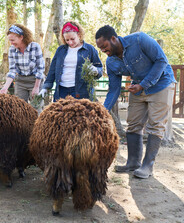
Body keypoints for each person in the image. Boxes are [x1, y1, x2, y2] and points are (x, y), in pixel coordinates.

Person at [95, 25, 176, 179]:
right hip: (138, 87)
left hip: (161, 84)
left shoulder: (139, 40)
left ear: (113, 39)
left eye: (104, 46)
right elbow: (113, 89)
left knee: (155, 125)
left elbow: (161, 61)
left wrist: (143, 85)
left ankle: (147, 166)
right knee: (133, 123)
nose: (104, 51)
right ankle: (133, 162)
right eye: (100, 49)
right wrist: (103, 111)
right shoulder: (111, 62)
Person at [39, 21, 102, 101]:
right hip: (61, 91)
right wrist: (45, 87)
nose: (70, 42)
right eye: (67, 40)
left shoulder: (89, 49)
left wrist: (96, 71)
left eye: (72, 39)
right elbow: (52, 71)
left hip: (82, 92)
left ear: (79, 35)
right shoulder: (60, 50)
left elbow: (99, 68)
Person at [0, 23, 45, 102]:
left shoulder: (35, 47)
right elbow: (12, 71)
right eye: (10, 40)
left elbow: (40, 69)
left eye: (13, 40)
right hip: (20, 81)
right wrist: (5, 87)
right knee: (19, 108)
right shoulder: (12, 49)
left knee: (36, 107)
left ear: (21, 37)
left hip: (35, 80)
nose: (11, 43)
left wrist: (36, 87)